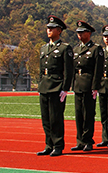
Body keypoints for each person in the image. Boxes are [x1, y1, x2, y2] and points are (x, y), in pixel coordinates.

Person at [37, 15, 73, 157]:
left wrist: (65, 88)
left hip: (57, 87)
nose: (49, 30)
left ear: (59, 30)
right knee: (45, 118)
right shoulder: (43, 48)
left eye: (52, 28)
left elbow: (68, 70)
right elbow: (41, 70)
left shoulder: (65, 48)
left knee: (55, 118)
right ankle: (48, 144)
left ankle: (58, 145)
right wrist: (40, 85)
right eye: (48, 28)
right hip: (45, 86)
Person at [70, 21, 104, 152]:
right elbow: (73, 68)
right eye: (78, 32)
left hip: (89, 84)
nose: (79, 34)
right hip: (78, 84)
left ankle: (88, 140)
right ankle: (80, 141)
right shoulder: (76, 49)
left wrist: (95, 87)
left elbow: (98, 69)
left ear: (88, 33)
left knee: (88, 113)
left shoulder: (95, 49)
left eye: (82, 32)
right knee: (79, 114)